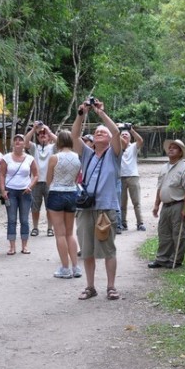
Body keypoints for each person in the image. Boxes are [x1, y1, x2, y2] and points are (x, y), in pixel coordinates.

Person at [71, 98, 122, 300]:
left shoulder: (114, 154)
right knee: (87, 250)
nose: (99, 133)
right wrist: (81, 113)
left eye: (103, 132)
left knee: (108, 249)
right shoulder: (87, 154)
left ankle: (111, 286)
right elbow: (74, 136)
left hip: (106, 209)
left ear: (109, 139)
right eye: (97, 132)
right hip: (86, 208)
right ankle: (90, 287)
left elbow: (116, 132)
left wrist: (101, 113)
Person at [149, 139, 185, 269]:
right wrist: (156, 205)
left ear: (180, 152)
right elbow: (160, 187)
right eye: (170, 147)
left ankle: (176, 259)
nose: (171, 149)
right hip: (165, 205)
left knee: (179, 233)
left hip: (178, 204)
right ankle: (161, 258)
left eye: (175, 148)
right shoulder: (164, 168)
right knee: (163, 232)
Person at [46, 130, 82, 278]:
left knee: (59, 234)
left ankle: (65, 268)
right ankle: (76, 267)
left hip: (56, 193)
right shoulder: (77, 158)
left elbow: (48, 180)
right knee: (69, 233)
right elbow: (76, 179)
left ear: (58, 142)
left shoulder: (54, 158)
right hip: (72, 193)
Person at [0, 134, 38, 255]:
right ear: (12, 143)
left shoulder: (30, 158)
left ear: (24, 144)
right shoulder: (6, 158)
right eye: (15, 140)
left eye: (20, 140)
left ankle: (24, 246)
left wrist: (30, 186)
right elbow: (2, 174)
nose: (17, 142)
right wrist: (3, 190)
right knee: (11, 219)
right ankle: (12, 246)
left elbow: (36, 175)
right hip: (10, 191)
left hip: (25, 192)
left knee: (24, 220)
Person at [23, 121, 57, 238]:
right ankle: (35, 228)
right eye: (40, 134)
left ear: (48, 137)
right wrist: (33, 129)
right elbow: (25, 142)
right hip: (36, 181)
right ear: (37, 137)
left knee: (50, 207)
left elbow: (61, 142)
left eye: (44, 134)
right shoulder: (34, 148)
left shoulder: (53, 147)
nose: (42, 135)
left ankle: (49, 228)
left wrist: (48, 131)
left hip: (50, 181)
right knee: (35, 207)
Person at [119, 125, 146, 232]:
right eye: (122, 134)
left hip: (133, 176)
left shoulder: (133, 146)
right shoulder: (116, 148)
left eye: (126, 134)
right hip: (120, 176)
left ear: (130, 138)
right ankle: (123, 223)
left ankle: (140, 223)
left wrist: (131, 129)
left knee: (136, 202)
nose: (124, 135)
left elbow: (140, 140)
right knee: (122, 202)